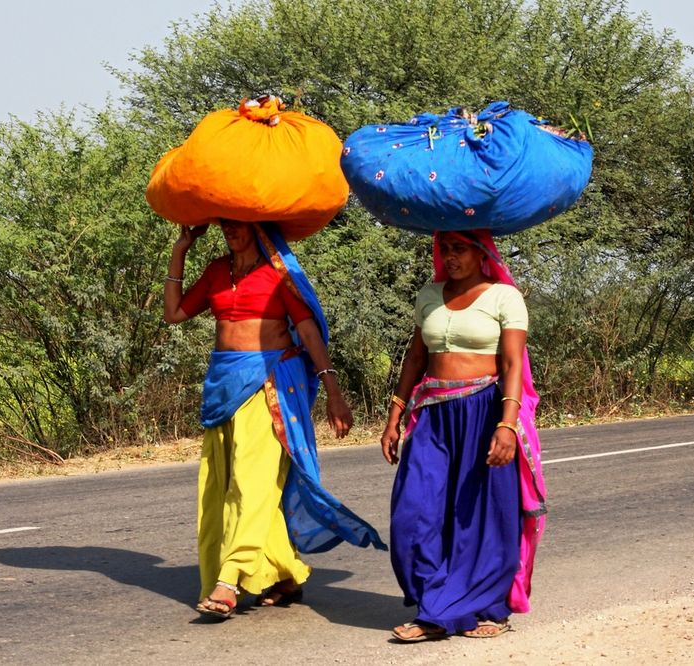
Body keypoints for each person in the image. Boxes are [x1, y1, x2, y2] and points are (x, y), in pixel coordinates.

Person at [164, 219, 384, 620]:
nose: (231, 230)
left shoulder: (279, 275)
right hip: (223, 387)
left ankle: (230, 580)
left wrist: (334, 393)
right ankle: (285, 573)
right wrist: (181, 249)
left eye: (239, 224)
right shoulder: (216, 271)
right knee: (218, 487)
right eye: (225, 223)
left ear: (258, 227)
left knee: (251, 483)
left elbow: (309, 334)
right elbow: (175, 313)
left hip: (270, 386)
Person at [380, 229, 547, 641]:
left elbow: (511, 364)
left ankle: (481, 608)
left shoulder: (504, 297)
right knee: (414, 512)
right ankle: (436, 601)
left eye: (460, 249)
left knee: (480, 515)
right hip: (434, 414)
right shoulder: (429, 294)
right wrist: (394, 414)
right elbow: (417, 357)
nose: (451, 257)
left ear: (481, 252)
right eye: (445, 249)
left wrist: (507, 424)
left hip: (485, 410)